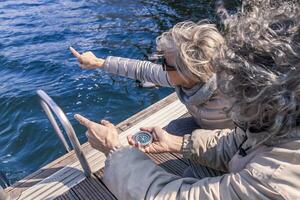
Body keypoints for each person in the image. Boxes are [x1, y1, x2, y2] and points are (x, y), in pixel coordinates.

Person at [75, 0, 300, 199]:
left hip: (236, 159)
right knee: (175, 130)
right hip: (226, 144)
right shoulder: (270, 123)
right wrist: (177, 143)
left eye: (239, 81)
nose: (229, 83)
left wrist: (114, 150)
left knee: (192, 173)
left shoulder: (275, 181)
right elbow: (241, 140)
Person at [70, 20, 234, 130]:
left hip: (231, 150)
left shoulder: (233, 93)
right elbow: (142, 69)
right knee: (172, 129)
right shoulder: (184, 79)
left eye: (165, 64)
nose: (161, 68)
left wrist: (188, 144)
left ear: (188, 70)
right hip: (206, 130)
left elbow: (248, 141)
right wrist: (99, 62)